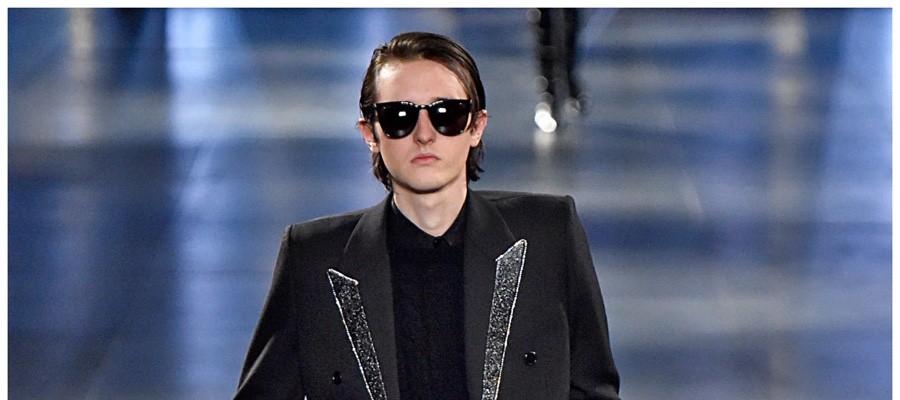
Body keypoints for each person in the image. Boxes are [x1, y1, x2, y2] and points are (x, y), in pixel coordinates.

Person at [233, 31, 620, 400]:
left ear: (476, 127)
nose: (424, 134)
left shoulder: (548, 236)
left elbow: (593, 389)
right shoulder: (314, 259)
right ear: (370, 133)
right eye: (399, 116)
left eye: (446, 114)